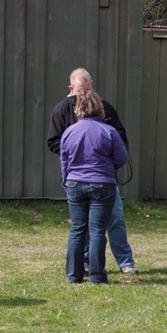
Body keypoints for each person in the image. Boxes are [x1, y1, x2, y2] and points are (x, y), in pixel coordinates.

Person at [48, 68, 138, 275]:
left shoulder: (105, 109)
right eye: (81, 91)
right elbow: (55, 143)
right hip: (86, 177)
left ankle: (123, 261)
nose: (85, 96)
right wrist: (81, 154)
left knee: (111, 220)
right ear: (71, 88)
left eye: (88, 90)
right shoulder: (62, 110)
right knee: (87, 228)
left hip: (92, 177)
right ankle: (89, 265)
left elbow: (121, 139)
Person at [60, 91, 128, 283]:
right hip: (102, 183)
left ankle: (73, 274)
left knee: (77, 229)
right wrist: (107, 167)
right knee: (97, 230)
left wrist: (67, 181)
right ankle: (97, 275)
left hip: (75, 183)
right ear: (99, 109)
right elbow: (121, 157)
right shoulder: (108, 131)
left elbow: (64, 161)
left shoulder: (69, 132)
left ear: (78, 109)